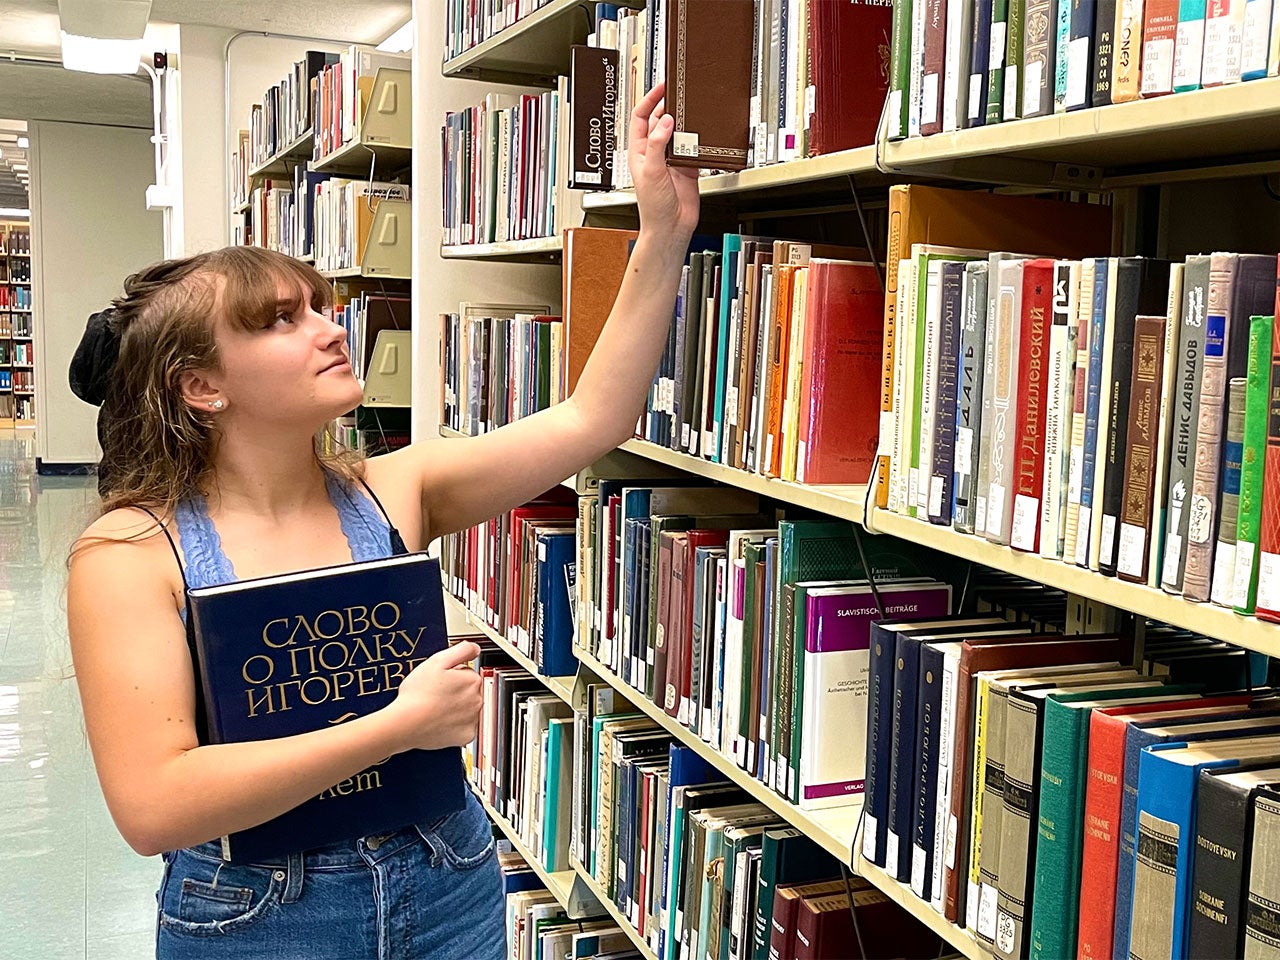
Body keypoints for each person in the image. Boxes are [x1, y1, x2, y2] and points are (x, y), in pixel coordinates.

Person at [66, 84, 698, 959]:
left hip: (448, 882)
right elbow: (155, 805)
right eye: (281, 320)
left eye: (322, 306)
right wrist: (395, 727)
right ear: (201, 386)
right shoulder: (132, 552)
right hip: (259, 917)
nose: (331, 329)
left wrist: (662, 232)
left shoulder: (395, 489)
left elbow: (592, 418)